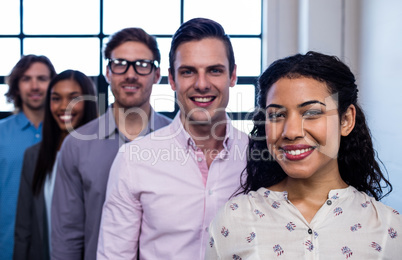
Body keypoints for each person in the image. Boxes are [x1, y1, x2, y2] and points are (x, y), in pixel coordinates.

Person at [205, 51, 402, 259]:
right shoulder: (233, 219)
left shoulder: (389, 229)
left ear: (346, 120)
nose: (290, 132)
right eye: (277, 115)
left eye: (312, 113)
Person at [97, 18, 249, 260]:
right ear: (171, 79)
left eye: (214, 70)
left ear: (232, 76)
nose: (202, 84)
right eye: (188, 72)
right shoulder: (133, 160)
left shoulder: (258, 157)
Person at [51, 27, 171, 260]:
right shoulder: (76, 146)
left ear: (157, 75)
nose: (130, 74)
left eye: (143, 64)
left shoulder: (178, 139)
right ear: (107, 72)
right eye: (120, 64)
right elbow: (67, 235)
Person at [13, 70, 98, 260]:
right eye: (56, 98)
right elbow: (23, 227)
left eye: (74, 98)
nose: (64, 107)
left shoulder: (103, 155)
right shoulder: (34, 156)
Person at [0, 55, 56, 260]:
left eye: (42, 79)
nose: (34, 86)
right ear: (16, 86)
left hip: (57, 248)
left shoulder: (68, 137)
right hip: (6, 247)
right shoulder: (1, 134)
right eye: (26, 79)